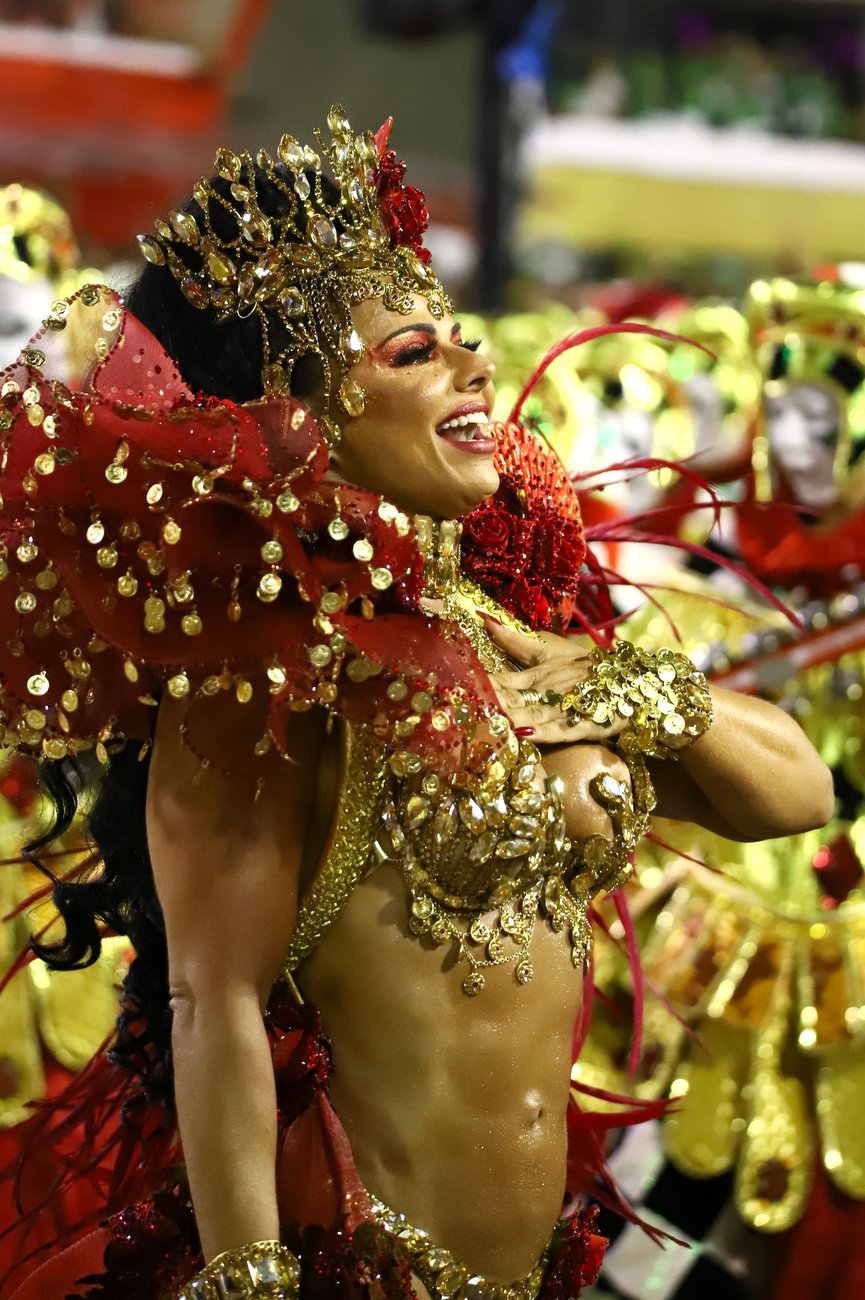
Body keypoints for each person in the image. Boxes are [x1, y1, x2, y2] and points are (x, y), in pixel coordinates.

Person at [0, 107, 834, 1300]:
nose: (472, 366)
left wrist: (637, 690)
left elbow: (794, 796)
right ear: (298, 413)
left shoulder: (521, 636)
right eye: (412, 354)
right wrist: (249, 1278)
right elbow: (212, 996)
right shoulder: (268, 677)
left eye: (459, 338)